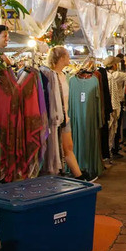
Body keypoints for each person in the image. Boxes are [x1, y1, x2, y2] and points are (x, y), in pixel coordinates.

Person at [45, 46, 92, 181]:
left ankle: (78, 175)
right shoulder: (50, 76)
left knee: (68, 147)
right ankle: (77, 175)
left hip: (65, 117)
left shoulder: (63, 75)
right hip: (55, 118)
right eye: (67, 56)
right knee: (61, 149)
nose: (69, 58)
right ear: (61, 58)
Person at [104, 55, 126, 158]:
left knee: (109, 127)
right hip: (117, 103)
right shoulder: (117, 75)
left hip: (107, 104)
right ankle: (114, 149)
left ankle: (110, 149)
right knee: (116, 128)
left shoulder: (104, 75)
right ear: (114, 65)